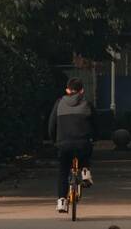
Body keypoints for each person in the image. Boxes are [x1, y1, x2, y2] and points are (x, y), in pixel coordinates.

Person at [48, 78, 97, 214]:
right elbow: (96, 124)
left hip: (63, 145)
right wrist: (95, 138)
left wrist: (54, 141)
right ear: (82, 91)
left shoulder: (59, 104)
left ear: (67, 90)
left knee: (63, 171)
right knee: (86, 149)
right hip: (83, 144)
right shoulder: (87, 104)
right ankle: (85, 171)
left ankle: (62, 201)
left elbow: (51, 126)